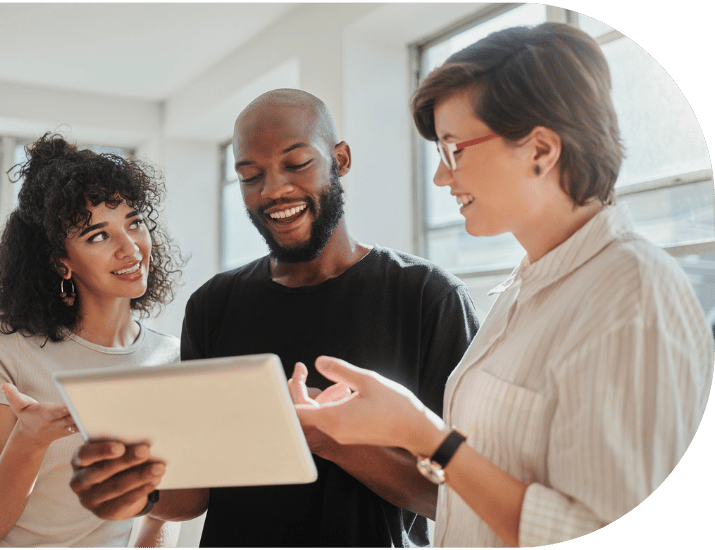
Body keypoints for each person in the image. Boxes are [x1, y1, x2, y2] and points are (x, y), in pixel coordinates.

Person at [294, 23, 714, 548]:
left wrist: (423, 434)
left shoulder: (633, 297)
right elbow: (487, 488)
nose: (442, 179)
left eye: (454, 150)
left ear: (540, 149)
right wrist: (399, 425)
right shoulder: (525, 288)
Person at [68, 89, 480, 547]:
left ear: (340, 160)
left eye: (297, 163)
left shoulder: (426, 297)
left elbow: (463, 498)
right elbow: (196, 494)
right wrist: (135, 493)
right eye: (250, 175)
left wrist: (328, 439)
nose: (273, 190)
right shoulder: (214, 305)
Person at [0, 133, 185, 548]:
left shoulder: (168, 356)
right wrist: (30, 440)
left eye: (134, 223)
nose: (131, 248)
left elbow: (161, 509)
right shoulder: (4, 352)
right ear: (59, 261)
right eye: (98, 235)